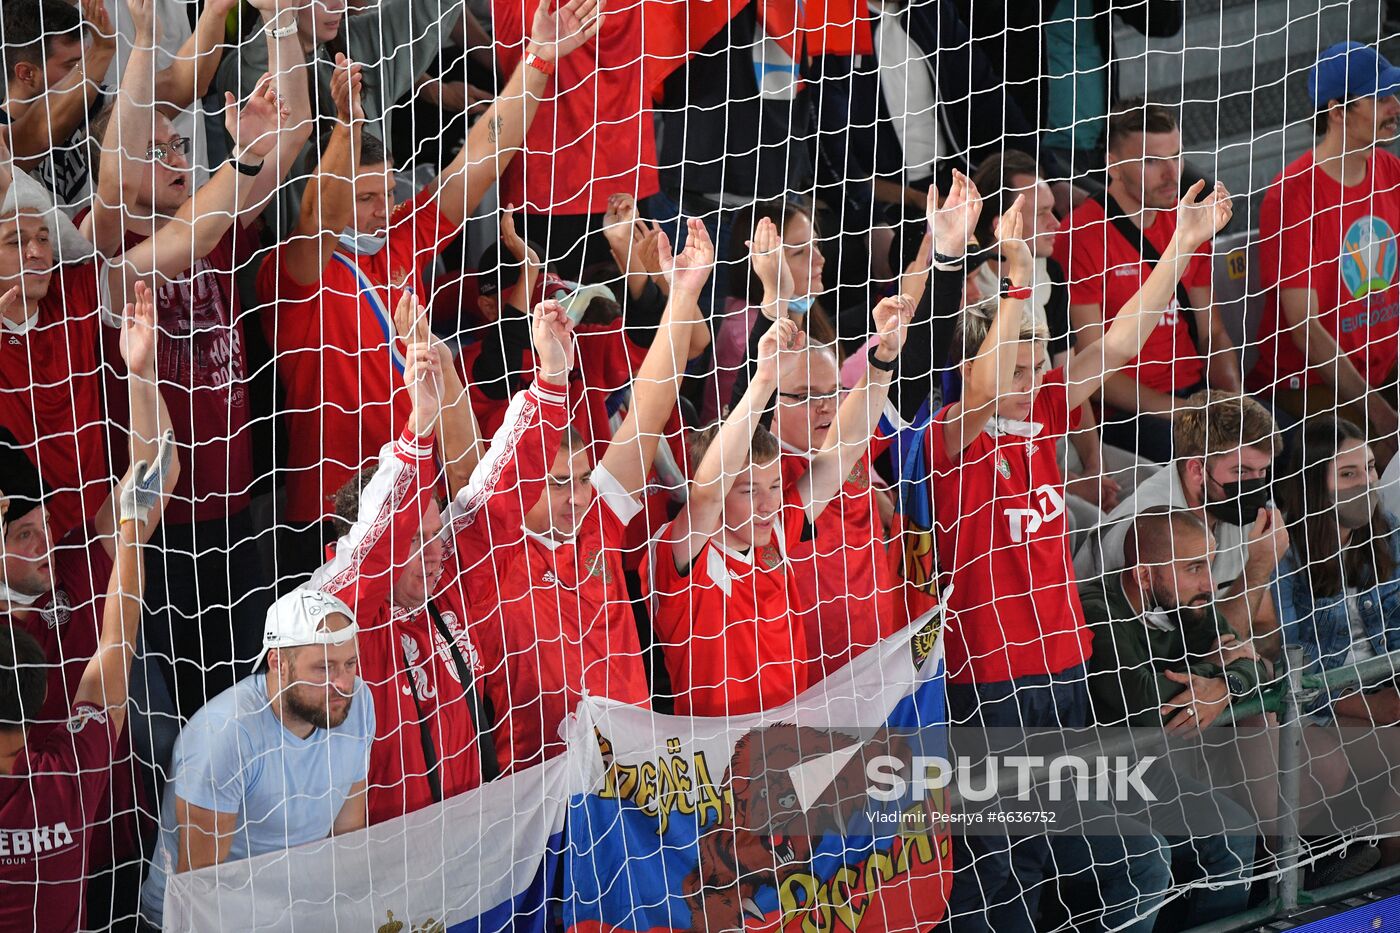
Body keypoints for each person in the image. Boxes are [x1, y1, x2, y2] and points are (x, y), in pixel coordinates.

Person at [930, 176, 1231, 931]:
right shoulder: (946, 445)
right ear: (978, 368)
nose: (1037, 375)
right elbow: (990, 373)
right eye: (1021, 360)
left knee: (1108, 866)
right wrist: (1019, 272)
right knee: (1001, 869)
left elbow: (1122, 338)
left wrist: (1185, 244)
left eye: (1040, 360)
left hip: (1064, 665)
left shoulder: (1042, 410)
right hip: (991, 685)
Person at [258, 0, 597, 566]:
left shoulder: (400, 237)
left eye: (387, 193)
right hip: (327, 510)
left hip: (419, 495)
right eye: (365, 198)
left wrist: (539, 55)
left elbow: (483, 155)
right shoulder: (297, 266)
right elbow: (319, 215)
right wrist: (350, 125)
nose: (381, 209)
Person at [89, 0, 311, 719]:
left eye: (181, 146)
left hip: (237, 516)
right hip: (158, 531)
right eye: (160, 150)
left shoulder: (214, 228)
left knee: (250, 709)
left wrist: (279, 21)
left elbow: (297, 128)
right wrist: (147, 39)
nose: (178, 157)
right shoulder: (112, 256)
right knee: (178, 728)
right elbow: (127, 186)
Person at [439, 223, 713, 772]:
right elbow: (462, 451)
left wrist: (682, 295)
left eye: (583, 478)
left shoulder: (599, 522)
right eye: (557, 482)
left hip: (638, 780)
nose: (576, 496)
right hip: (548, 801)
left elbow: (650, 411)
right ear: (520, 486)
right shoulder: (490, 548)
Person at [647, 287, 913, 717]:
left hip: (794, 747)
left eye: (774, 488)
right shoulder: (683, 556)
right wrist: (765, 379)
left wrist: (883, 360)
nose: (768, 504)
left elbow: (842, 452)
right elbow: (709, 490)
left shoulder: (777, 533)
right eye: (750, 491)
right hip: (720, 762)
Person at [0, 280, 176, 926]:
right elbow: (114, 647)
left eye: (46, 522)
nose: (47, 540)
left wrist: (142, 374)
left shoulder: (73, 557)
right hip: (56, 817)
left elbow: (155, 481)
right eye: (26, 534)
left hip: (107, 820)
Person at [305, 299, 494, 821]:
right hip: (396, 875)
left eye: (435, 535)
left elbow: (469, 474)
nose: (436, 552)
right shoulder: (344, 620)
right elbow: (368, 553)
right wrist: (419, 422)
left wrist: (438, 364)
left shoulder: (446, 582)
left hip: (476, 849)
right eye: (413, 541)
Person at [138, 587, 372, 928]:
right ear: (277, 662)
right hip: (196, 916)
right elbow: (199, 890)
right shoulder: (225, 735)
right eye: (324, 668)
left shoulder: (357, 702)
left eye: (350, 664)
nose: (342, 684)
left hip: (293, 907)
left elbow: (348, 834)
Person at [1079, 507, 1261, 927]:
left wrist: (1225, 686)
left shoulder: (1189, 602)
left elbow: (1257, 667)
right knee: (1149, 859)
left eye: (1209, 565)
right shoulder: (1095, 609)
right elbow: (1145, 704)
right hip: (1083, 776)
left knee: (1235, 831)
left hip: (1142, 772)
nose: (1208, 583)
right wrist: (1217, 677)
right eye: (1194, 567)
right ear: (1145, 575)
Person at [1056, 100, 1240, 462]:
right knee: (1210, 465)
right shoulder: (1079, 235)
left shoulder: (1187, 220)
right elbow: (1097, 371)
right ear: (1112, 163)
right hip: (1129, 413)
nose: (1172, 175)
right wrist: (1184, 413)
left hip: (1196, 397)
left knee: (1285, 446)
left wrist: (1235, 401)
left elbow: (1212, 333)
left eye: (1176, 156)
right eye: (1151, 162)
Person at [1248, 41, 1400, 451]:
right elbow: (1307, 331)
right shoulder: (1292, 194)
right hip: (1313, 383)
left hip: (1383, 369)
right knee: (1376, 464)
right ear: (1337, 112)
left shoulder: (1390, 169)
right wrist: (1381, 413)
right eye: (1380, 98)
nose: (1395, 106)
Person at [1077, 390, 1287, 656]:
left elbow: (1263, 624)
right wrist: (1259, 567)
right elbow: (1185, 654)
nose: (1255, 486)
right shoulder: (1146, 528)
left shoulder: (1237, 508)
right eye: (1241, 472)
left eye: (1262, 472)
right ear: (1196, 469)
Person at [1275, 416, 1400, 722]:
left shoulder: (1390, 533)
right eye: (1347, 474)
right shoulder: (1283, 551)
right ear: (1315, 483)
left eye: (1370, 468)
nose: (1366, 482)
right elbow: (1288, 666)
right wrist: (1373, 707)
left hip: (1385, 685)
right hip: (1322, 706)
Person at [0, 0, 115, 213]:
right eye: (74, 66)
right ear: (27, 73)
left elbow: (175, 85)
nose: (86, 74)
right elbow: (41, 132)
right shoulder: (5, 139)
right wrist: (102, 51)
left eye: (86, 61)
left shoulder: (96, 101)